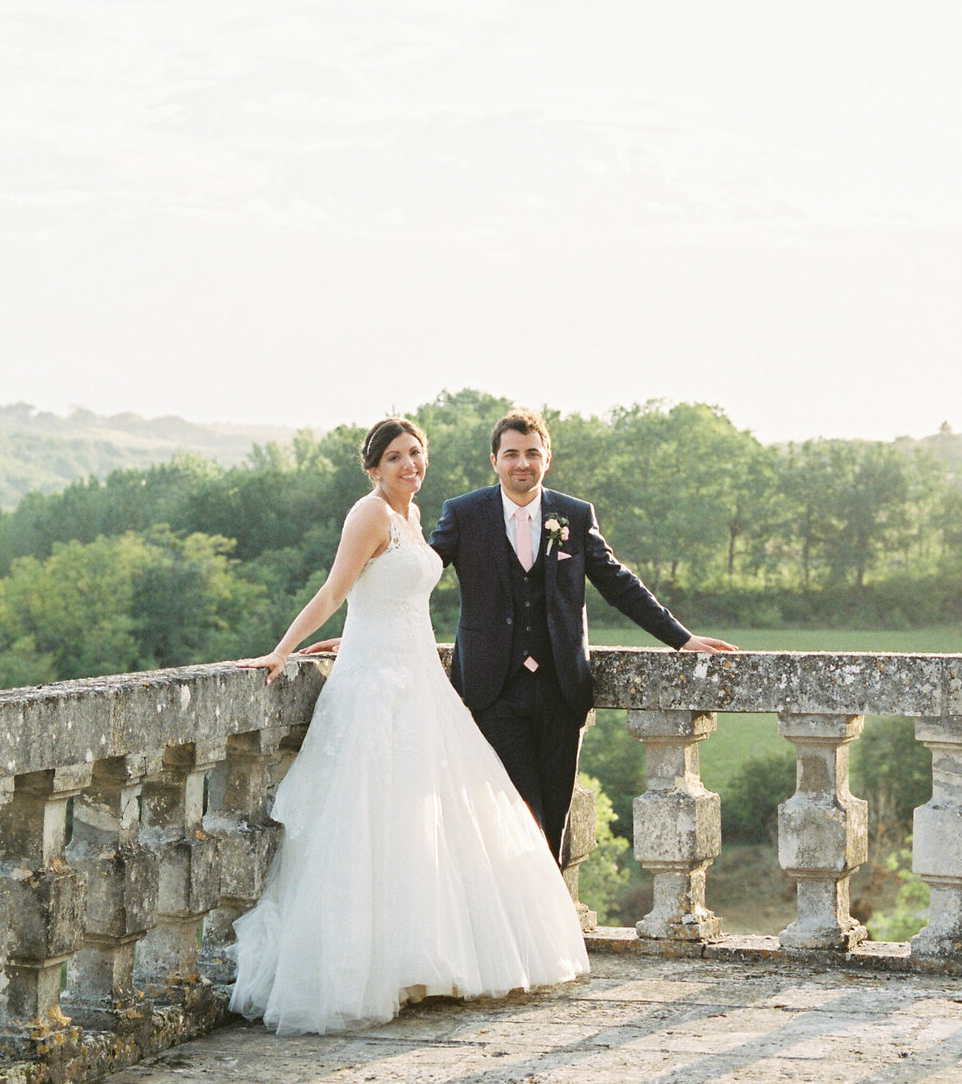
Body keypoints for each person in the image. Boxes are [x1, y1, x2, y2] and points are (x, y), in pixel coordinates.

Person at [232, 417, 589, 1036]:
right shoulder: (368, 514)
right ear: (373, 469)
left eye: (415, 455)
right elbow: (335, 591)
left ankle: (418, 961)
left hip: (419, 680)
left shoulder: (415, 518)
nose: (408, 466)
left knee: (423, 826)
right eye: (395, 458)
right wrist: (284, 650)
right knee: (370, 826)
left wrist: (363, 628)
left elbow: (389, 595)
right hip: (375, 690)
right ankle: (367, 970)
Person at [428, 410, 737, 864]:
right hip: (492, 692)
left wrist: (680, 638)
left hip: (561, 689)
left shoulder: (572, 513)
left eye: (532, 453)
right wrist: (364, 629)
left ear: (547, 458)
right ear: (494, 459)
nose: (522, 464)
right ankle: (521, 926)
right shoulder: (464, 513)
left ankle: (541, 928)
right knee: (516, 818)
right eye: (511, 453)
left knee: (553, 819)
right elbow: (417, 575)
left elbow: (618, 583)